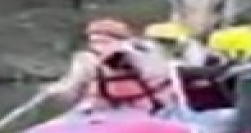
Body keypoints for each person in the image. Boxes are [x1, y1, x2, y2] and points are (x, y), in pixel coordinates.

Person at [44, 18, 177, 114]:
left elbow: (70, 92)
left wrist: (52, 92)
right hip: (153, 112)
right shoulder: (149, 53)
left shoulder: (88, 59)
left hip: (111, 114)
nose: (96, 46)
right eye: (94, 41)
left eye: (100, 41)